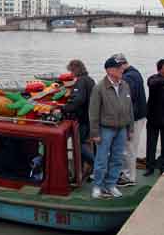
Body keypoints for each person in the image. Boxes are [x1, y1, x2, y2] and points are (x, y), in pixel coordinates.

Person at [89, 57, 134, 198]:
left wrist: (130, 128)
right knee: (101, 159)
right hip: (105, 129)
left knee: (117, 158)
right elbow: (93, 112)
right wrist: (95, 133)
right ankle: (97, 186)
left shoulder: (125, 85)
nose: (122, 69)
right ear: (109, 70)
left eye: (122, 67)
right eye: (119, 67)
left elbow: (129, 108)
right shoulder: (99, 88)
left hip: (121, 129)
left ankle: (111, 185)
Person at [110, 54, 147, 186]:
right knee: (129, 147)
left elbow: (127, 101)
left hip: (134, 118)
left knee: (129, 148)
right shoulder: (134, 73)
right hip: (138, 116)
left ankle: (129, 177)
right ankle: (126, 173)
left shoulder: (129, 77)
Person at [60, 60, 95, 178]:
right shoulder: (89, 80)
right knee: (83, 143)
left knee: (79, 145)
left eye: (71, 71)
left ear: (75, 70)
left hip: (82, 119)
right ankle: (80, 172)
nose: (71, 74)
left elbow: (78, 100)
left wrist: (64, 109)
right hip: (90, 117)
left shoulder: (80, 81)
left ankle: (97, 164)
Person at [144, 59, 164, 176]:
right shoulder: (153, 79)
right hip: (153, 118)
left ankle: (162, 167)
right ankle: (149, 167)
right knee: (151, 144)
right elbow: (152, 83)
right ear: (160, 69)